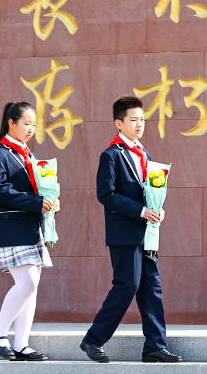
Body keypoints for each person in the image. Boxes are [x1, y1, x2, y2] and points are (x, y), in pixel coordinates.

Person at [80, 96, 182, 364]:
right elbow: (106, 194)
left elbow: (150, 192)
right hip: (124, 234)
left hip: (147, 232)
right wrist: (140, 210)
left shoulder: (146, 154)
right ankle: (93, 339)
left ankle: (155, 346)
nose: (139, 124)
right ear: (119, 123)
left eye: (142, 119)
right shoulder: (111, 155)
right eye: (133, 120)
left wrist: (157, 209)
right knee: (128, 285)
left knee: (151, 287)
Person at [0, 102, 57, 362]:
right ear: (11, 123)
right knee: (28, 283)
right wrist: (36, 201)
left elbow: (37, 189)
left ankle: (21, 344)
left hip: (31, 227)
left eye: (34, 124)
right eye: (26, 123)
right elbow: (0, 190)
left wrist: (49, 201)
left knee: (31, 289)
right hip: (11, 227)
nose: (31, 129)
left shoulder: (29, 155)